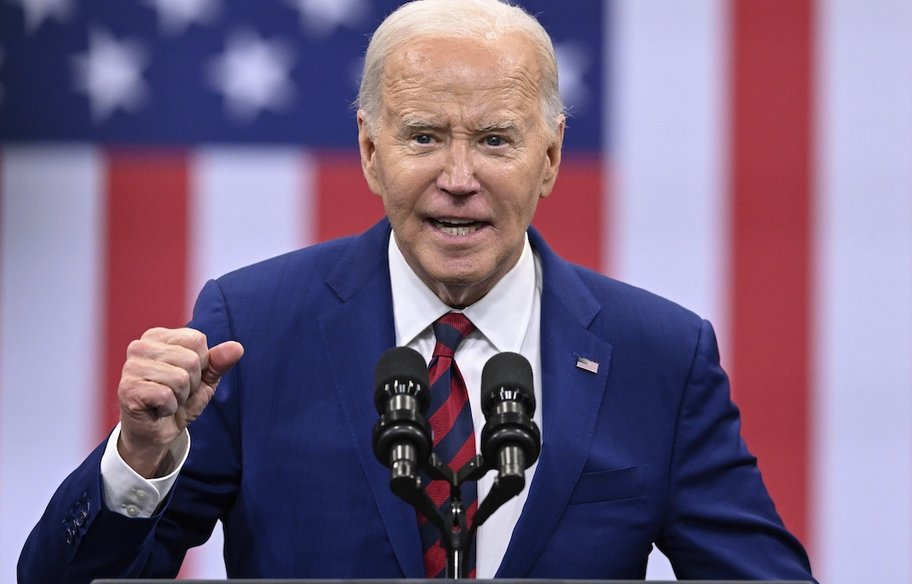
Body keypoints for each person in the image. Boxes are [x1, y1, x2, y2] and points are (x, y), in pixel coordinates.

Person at [19, 0, 814, 581]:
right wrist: (138, 459)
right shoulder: (255, 327)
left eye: (496, 140)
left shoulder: (659, 356)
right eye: (425, 137)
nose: (458, 179)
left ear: (549, 157)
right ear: (371, 150)